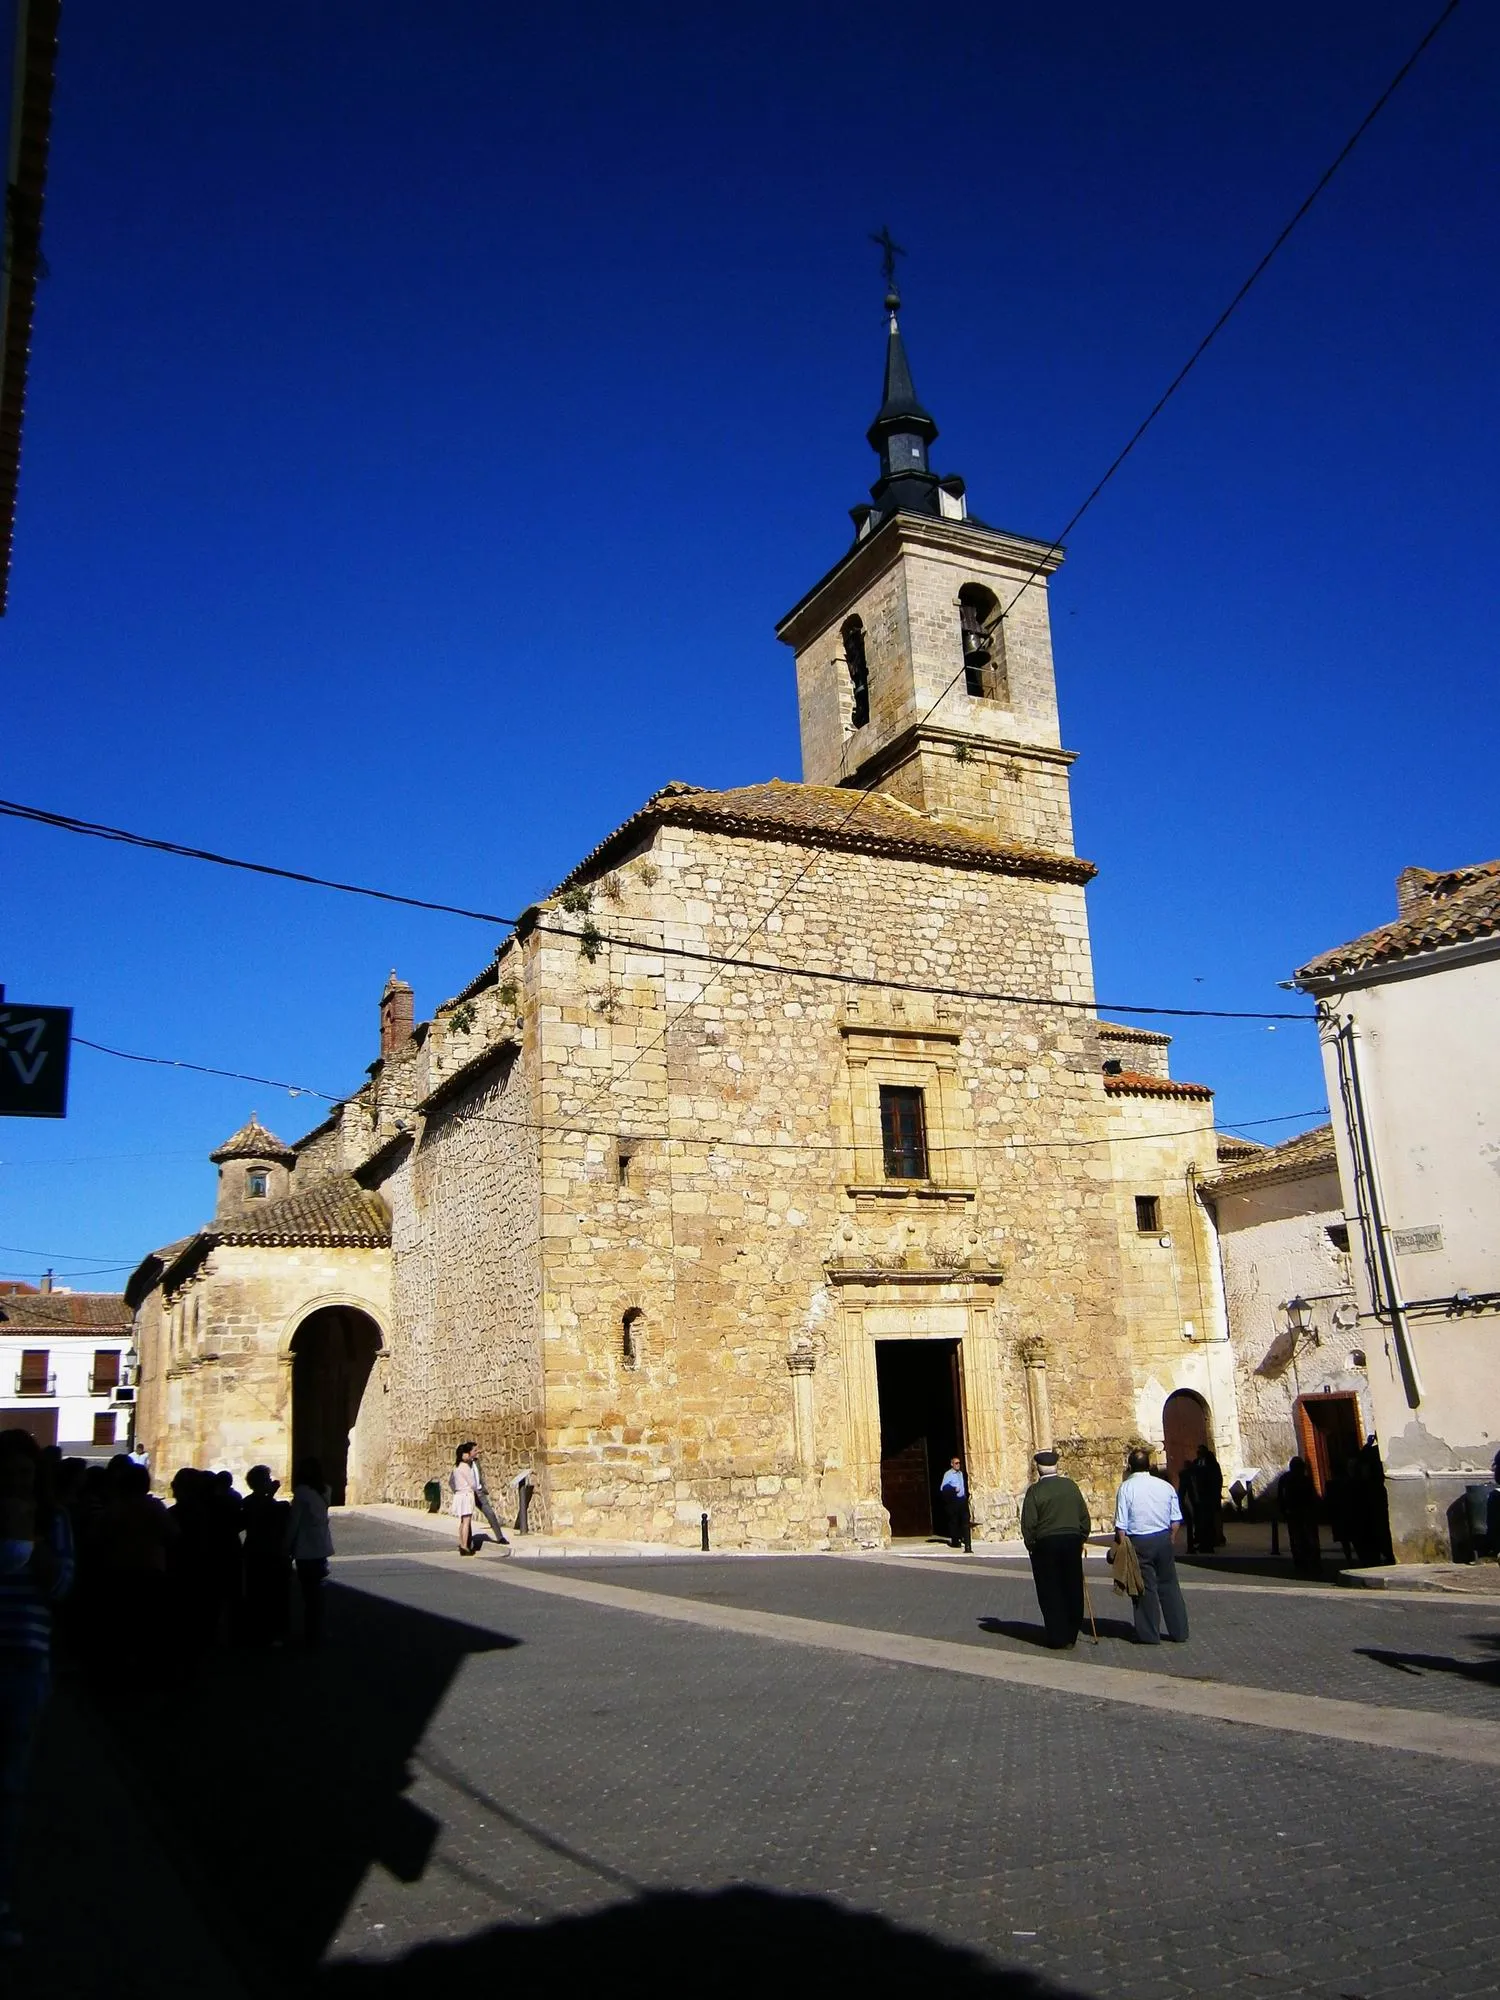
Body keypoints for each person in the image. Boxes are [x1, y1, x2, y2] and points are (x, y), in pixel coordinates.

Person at [0, 1429, 74, 1950]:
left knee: (8, 1791)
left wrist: (35, 1543)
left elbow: (63, 1586)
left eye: (24, 1474)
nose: (16, 1482)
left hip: (26, 1664)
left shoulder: (54, 1523)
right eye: (7, 1473)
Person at [1114, 1447, 1189, 1645]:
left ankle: (1148, 1634)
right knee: (1170, 1585)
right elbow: (1175, 1520)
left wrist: (1124, 1547)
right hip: (1162, 1538)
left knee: (1144, 1587)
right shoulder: (1165, 1486)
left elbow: (1121, 1525)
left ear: (1129, 1467)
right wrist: (1170, 1538)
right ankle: (1179, 1631)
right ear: (1149, 1465)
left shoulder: (1126, 1488)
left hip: (1139, 1540)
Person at [1019, 1449, 1092, 1649]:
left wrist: (1031, 1545)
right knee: (1073, 1586)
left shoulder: (1035, 1491)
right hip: (1071, 1541)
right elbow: (1083, 1517)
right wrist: (1081, 1538)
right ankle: (1071, 1633)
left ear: (1038, 1469)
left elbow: (1029, 1523)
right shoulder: (1070, 1486)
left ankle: (1057, 1634)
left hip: (1046, 1544)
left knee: (1050, 1589)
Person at [241, 1466, 291, 1647]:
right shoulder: (278, 1507)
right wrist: (270, 1495)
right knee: (275, 1595)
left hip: (254, 1552)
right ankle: (274, 1633)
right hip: (272, 1553)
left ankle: (255, 1631)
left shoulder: (247, 1503)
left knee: (256, 1593)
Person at [285, 1459, 334, 1646]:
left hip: (305, 1549)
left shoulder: (302, 1494)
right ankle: (316, 1631)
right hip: (321, 1546)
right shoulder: (325, 1490)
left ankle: (310, 1634)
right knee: (316, 1593)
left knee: (308, 1593)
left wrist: (286, 1546)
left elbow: (294, 1523)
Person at [1277, 1455, 1321, 1577]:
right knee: (1308, 1537)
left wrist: (1283, 1511)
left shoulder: (1285, 1479)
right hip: (1303, 1512)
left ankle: (1301, 1561)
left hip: (1294, 1512)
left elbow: (1281, 1497)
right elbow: (1312, 1496)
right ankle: (1313, 1561)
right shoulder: (1304, 1479)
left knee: (1297, 1537)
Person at [468, 1447, 510, 1549]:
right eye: (475, 1450)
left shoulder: (476, 1462)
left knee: (490, 1513)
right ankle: (468, 1542)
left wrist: (482, 1487)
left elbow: (478, 1475)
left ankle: (500, 1537)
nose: (478, 1452)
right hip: (468, 1493)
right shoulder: (463, 1464)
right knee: (466, 1518)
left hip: (479, 1493)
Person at [1189, 1443, 1224, 1553]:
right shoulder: (1196, 1463)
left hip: (1210, 1497)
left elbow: (1217, 1480)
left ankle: (1213, 1540)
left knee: (1211, 1520)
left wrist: (1215, 1494)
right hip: (1199, 1497)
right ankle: (1200, 1538)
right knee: (1200, 1520)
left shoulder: (1212, 1464)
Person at [451, 1443, 479, 1556]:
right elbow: (472, 1483)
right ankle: (464, 1546)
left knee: (462, 1521)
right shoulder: (465, 1467)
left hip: (459, 1494)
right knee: (467, 1522)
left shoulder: (456, 1467)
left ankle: (461, 1543)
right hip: (466, 1495)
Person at [937, 1457, 968, 1549]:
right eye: (956, 1463)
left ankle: (965, 1538)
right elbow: (943, 1488)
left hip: (962, 1500)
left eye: (959, 1463)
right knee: (954, 1521)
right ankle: (955, 1541)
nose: (958, 1465)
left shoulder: (961, 1474)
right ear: (952, 1464)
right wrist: (954, 1489)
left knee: (964, 1520)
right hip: (953, 1500)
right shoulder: (948, 1474)